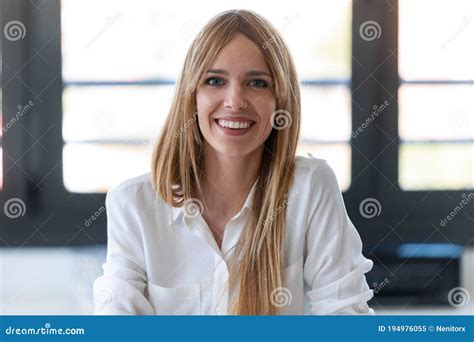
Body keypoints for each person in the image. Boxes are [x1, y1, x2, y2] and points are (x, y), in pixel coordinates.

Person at [93, 9, 374, 315]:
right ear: (192, 97)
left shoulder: (309, 187)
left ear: (280, 99)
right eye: (215, 81)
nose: (235, 101)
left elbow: (345, 314)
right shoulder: (133, 203)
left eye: (257, 83)